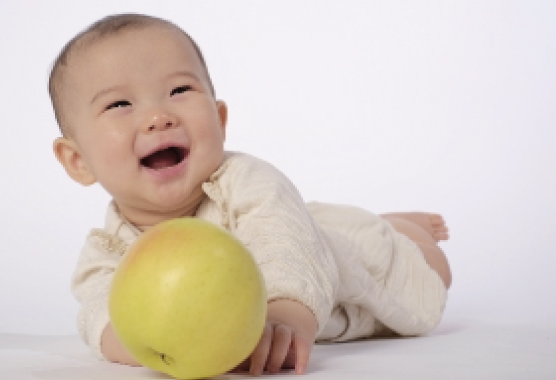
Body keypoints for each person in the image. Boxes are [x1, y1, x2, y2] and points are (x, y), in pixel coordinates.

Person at [49, 13, 452, 376]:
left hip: (342, 269)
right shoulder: (107, 250)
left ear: (220, 119)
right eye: (120, 103)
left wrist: (284, 314)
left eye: (179, 90)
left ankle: (395, 228)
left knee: (430, 266)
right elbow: (99, 310)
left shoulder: (246, 180)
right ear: (77, 160)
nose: (158, 117)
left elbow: (285, 241)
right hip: (307, 233)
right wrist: (142, 343)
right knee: (323, 223)